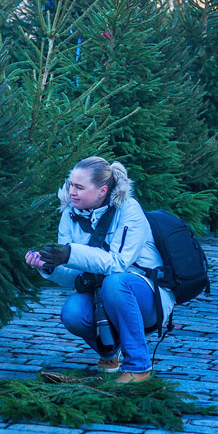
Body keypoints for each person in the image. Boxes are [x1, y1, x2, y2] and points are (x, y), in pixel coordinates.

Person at [24, 157, 173, 384]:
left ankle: (139, 367)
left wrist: (70, 253)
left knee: (116, 282)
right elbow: (74, 277)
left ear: (102, 191)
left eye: (79, 187)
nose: (71, 192)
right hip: (104, 296)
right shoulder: (69, 215)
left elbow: (118, 264)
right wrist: (50, 266)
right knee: (72, 312)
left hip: (147, 296)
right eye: (71, 184)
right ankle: (109, 353)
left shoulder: (129, 211)